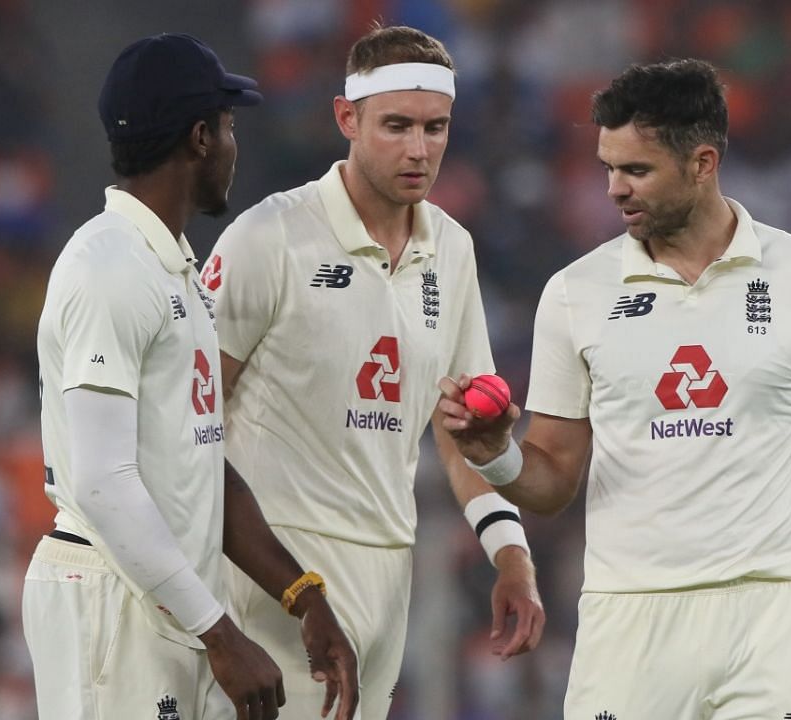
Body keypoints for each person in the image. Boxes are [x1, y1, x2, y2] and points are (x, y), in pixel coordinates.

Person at [438, 58, 791, 720]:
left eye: (636, 170)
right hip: (629, 618)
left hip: (770, 616)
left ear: (703, 163)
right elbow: (553, 480)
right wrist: (495, 453)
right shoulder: (574, 294)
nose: (615, 189)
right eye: (608, 168)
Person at [200, 25, 544, 720]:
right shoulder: (270, 237)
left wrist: (510, 553)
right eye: (396, 126)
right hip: (275, 578)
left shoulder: (452, 249)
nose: (419, 149)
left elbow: (462, 431)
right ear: (346, 118)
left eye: (435, 128)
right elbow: (189, 423)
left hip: (389, 576)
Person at [25, 33, 357, 720]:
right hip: (115, 596)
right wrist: (222, 633)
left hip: (169, 591)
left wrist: (303, 596)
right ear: (201, 137)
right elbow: (103, 481)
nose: (235, 145)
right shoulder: (107, 265)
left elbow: (202, 468)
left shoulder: (171, 268)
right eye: (230, 126)